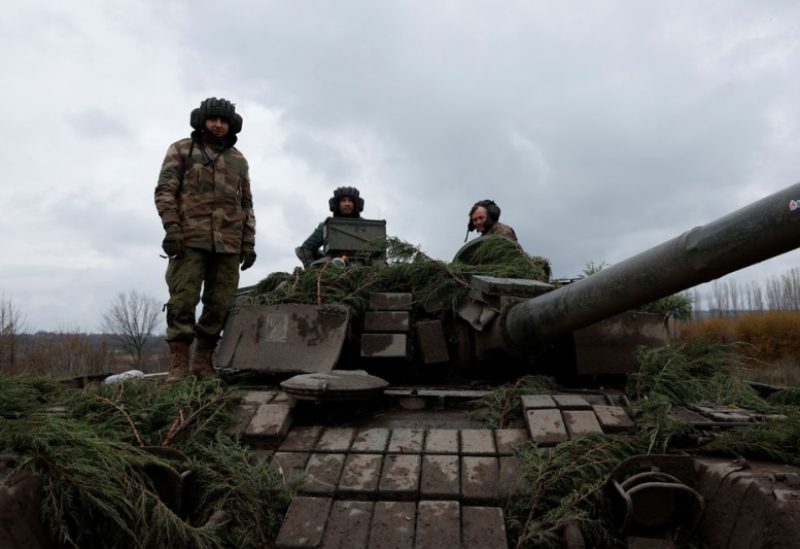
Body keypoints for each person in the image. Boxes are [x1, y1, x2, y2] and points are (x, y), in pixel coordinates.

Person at [154, 97, 257, 383]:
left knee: (220, 303)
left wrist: (247, 242)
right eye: (214, 119)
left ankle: (203, 362)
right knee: (183, 300)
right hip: (189, 239)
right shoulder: (182, 150)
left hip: (228, 244)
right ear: (202, 120)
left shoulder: (238, 160)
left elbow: (246, 204)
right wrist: (172, 228)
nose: (218, 125)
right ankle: (179, 364)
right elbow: (165, 190)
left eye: (224, 121)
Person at [296, 186, 364, 267]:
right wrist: (313, 271)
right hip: (334, 268)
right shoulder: (327, 226)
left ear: (355, 204)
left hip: (363, 267)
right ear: (337, 204)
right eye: (343, 201)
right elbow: (306, 248)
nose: (347, 204)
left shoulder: (366, 226)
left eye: (350, 201)